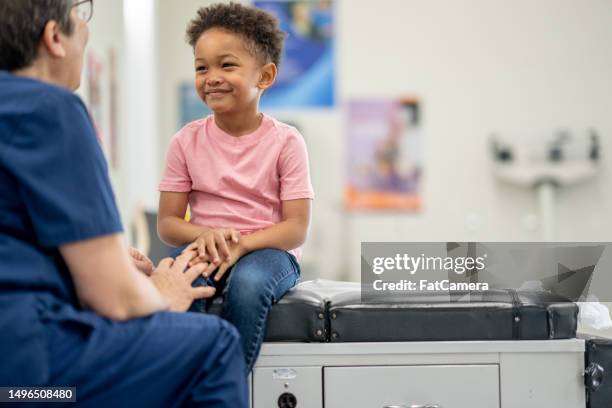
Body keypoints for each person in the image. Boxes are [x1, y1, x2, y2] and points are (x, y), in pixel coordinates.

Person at [0, 1, 247, 406]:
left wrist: (83, 267)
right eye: (81, 17)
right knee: (214, 344)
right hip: (26, 378)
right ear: (54, 37)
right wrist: (162, 292)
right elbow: (116, 300)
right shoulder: (51, 109)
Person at [158, 2, 314, 373]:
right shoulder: (185, 142)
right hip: (205, 247)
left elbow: (295, 228)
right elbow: (167, 223)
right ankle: (187, 380)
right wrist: (207, 234)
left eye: (226, 65)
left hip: (269, 251)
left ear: (265, 76)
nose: (211, 76)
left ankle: (227, 385)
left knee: (247, 284)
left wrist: (241, 243)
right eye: (201, 67)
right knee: (183, 282)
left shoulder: (286, 142)